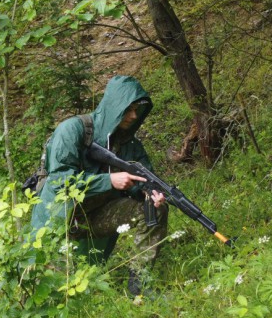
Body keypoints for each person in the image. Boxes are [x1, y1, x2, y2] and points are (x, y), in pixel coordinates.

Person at [29, 75, 168, 296]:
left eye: (137, 111)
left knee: (154, 209)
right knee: (53, 291)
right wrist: (109, 181)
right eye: (128, 109)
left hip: (95, 216)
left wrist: (150, 194)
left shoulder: (130, 146)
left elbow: (143, 179)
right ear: (114, 106)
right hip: (58, 216)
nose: (133, 116)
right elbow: (60, 181)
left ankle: (139, 288)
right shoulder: (72, 130)